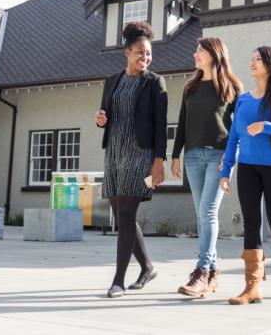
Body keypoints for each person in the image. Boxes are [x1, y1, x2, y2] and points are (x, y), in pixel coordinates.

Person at [219, 46, 271, 305]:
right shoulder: (243, 99)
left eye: (258, 59)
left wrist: (266, 126)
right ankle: (252, 286)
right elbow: (234, 137)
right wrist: (226, 170)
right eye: (252, 58)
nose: (252, 62)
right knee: (251, 223)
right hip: (247, 168)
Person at [95, 21, 167, 298]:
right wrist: (100, 119)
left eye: (148, 53)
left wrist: (158, 161)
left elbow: (161, 125)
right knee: (123, 215)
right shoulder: (111, 81)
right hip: (114, 153)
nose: (145, 57)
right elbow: (105, 114)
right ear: (127, 52)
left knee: (126, 215)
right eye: (139, 52)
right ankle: (147, 266)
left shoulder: (154, 83)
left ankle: (118, 280)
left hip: (140, 154)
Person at [171, 37, 242, 298]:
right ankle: (212, 273)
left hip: (219, 156)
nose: (195, 54)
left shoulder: (231, 86)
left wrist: (231, 157)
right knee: (202, 214)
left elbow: (239, 128)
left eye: (200, 50)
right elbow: (182, 122)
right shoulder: (190, 87)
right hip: (192, 156)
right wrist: (175, 155)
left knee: (207, 212)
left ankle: (201, 272)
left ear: (214, 54)